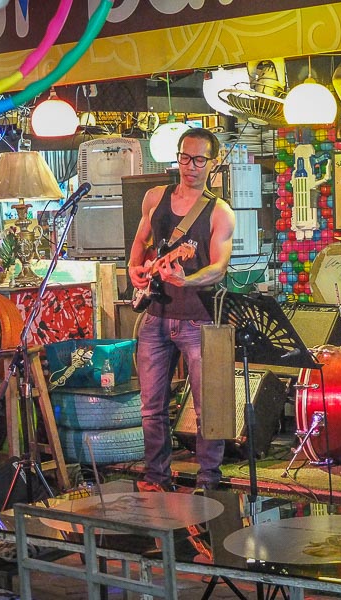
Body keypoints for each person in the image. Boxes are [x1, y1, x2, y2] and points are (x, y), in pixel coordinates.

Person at [127, 127, 236, 493]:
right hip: (155, 315)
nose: (191, 167)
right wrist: (133, 269)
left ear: (213, 164)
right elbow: (140, 242)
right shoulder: (154, 197)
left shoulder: (219, 211)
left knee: (210, 408)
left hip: (198, 319)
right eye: (185, 158)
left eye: (200, 160)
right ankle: (156, 477)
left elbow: (220, 267)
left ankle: (208, 479)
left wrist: (189, 281)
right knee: (150, 407)